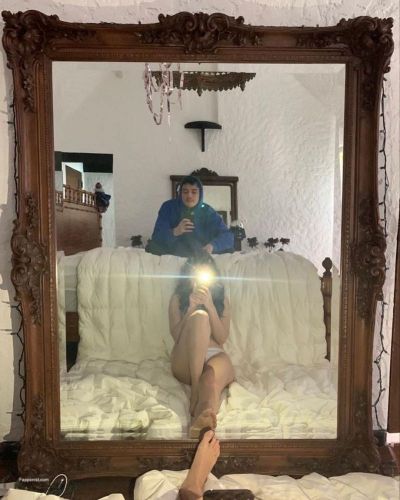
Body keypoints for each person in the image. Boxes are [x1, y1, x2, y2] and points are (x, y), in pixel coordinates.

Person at [169, 254, 235, 438]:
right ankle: (196, 388)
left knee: (210, 382)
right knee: (200, 317)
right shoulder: (177, 299)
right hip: (185, 359)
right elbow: (176, 336)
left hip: (215, 355)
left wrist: (210, 306)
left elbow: (221, 337)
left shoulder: (222, 300)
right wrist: (191, 309)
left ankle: (203, 421)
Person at [146, 176, 234, 257]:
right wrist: (175, 231)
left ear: (200, 194)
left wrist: (212, 246)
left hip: (200, 253)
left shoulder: (208, 211)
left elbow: (228, 236)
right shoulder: (168, 207)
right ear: (180, 193)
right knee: (152, 246)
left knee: (229, 249)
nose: (189, 195)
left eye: (194, 192)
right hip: (173, 252)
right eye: (185, 192)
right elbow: (156, 237)